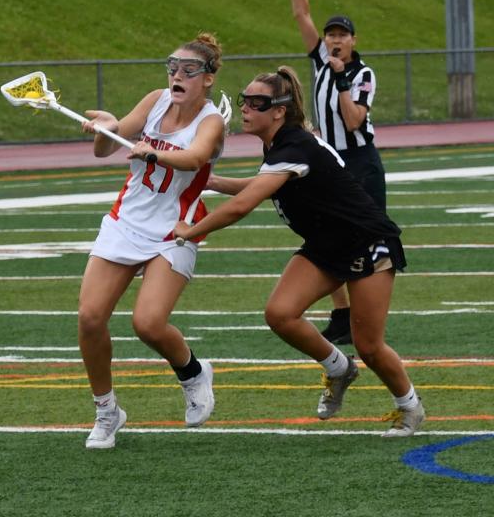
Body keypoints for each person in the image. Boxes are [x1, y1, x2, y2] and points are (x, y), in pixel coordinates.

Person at [173, 66, 425, 437]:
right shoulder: (280, 145)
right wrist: (206, 180)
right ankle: (339, 368)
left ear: (279, 110)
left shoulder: (294, 145)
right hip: (327, 244)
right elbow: (260, 184)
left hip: (366, 241)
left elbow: (245, 204)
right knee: (280, 313)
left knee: (370, 345)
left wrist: (190, 231)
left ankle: (410, 407)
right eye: (245, 100)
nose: (246, 108)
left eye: (257, 103)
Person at [77, 33, 226, 448]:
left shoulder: (210, 121)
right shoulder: (156, 99)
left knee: (147, 323)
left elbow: (195, 158)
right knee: (90, 319)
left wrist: (153, 154)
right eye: (172, 67)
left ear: (208, 78)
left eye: (189, 70)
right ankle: (107, 411)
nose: (177, 75)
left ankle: (193, 372)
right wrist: (105, 128)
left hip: (174, 229)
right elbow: (105, 149)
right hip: (126, 221)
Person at [281, 0, 387, 346]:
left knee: (366, 238)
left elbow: (354, 119)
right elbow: (300, 11)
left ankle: (364, 317)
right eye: (330, 35)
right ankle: (342, 312)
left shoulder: (362, 74)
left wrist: (342, 77)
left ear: (354, 41)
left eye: (341, 34)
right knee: (324, 231)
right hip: (331, 161)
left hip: (360, 161)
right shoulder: (321, 62)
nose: (333, 39)